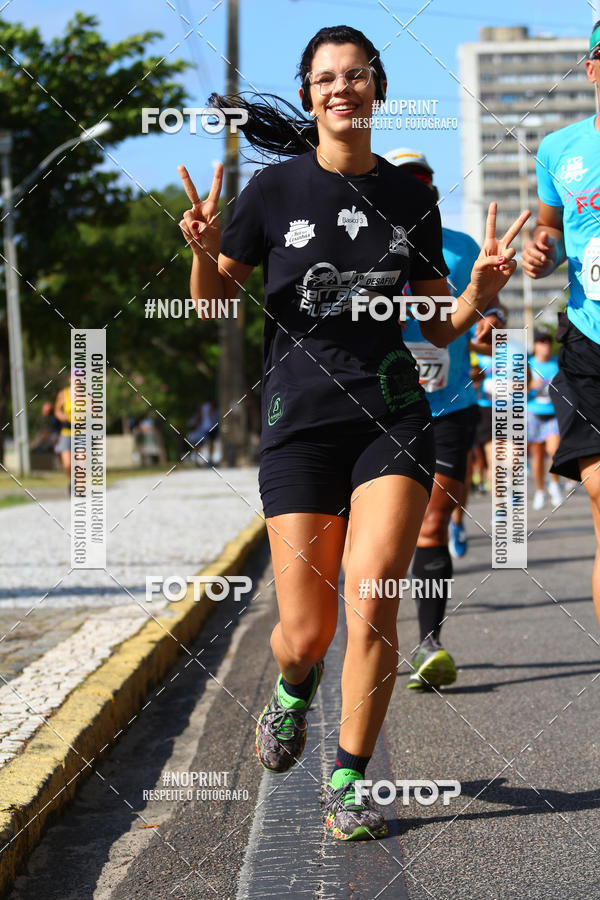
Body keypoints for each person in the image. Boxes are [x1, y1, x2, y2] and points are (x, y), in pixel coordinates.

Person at [178, 25, 528, 841]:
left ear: (376, 88)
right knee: (305, 633)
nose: (342, 88)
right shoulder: (270, 192)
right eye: (326, 78)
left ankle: (346, 779)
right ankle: (293, 691)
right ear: (309, 94)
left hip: (391, 418)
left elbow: (440, 329)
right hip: (298, 427)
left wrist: (478, 291)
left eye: (356, 75)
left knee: (372, 601)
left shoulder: (411, 197)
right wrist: (201, 252)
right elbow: (211, 304)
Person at [383, 147, 505, 690]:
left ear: (433, 189)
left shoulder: (461, 248)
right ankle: (367, 641)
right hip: (382, 407)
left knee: (433, 522)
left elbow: (489, 310)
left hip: (450, 405)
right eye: (406, 181)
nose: (419, 189)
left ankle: (429, 642)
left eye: (425, 180)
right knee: (383, 537)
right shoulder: (367, 247)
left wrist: (489, 324)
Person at [522, 19, 600, 629]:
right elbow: (548, 228)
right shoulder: (560, 150)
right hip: (588, 338)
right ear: (591, 67)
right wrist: (539, 250)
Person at [527, 329, 562, 510]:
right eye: (541, 342)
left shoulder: (558, 364)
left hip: (553, 414)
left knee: (554, 450)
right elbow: (515, 390)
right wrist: (529, 385)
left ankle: (554, 483)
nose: (545, 345)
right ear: (535, 346)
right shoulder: (528, 364)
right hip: (533, 413)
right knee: (537, 455)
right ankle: (540, 490)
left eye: (548, 342)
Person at [54, 375, 72, 492]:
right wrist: (63, 417)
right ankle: (73, 482)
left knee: (81, 463)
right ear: (70, 379)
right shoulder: (63, 394)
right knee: (67, 464)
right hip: (66, 431)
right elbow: (57, 411)